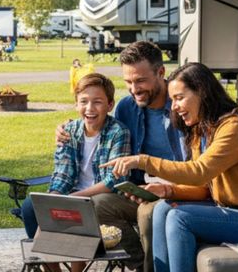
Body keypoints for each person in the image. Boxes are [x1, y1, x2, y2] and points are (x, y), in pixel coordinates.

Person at [101, 62, 238, 272]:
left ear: (202, 92)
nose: (173, 107)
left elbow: (200, 171)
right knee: (163, 208)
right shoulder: (202, 130)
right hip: (233, 212)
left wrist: (143, 160)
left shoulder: (235, 126)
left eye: (179, 98)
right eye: (172, 99)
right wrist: (167, 191)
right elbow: (204, 187)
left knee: (179, 218)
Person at [56, 41, 185, 272]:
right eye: (128, 82)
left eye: (140, 80)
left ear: (161, 72)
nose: (134, 89)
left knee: (148, 214)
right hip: (136, 191)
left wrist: (170, 187)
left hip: (176, 190)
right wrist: (68, 128)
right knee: (98, 205)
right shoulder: (127, 106)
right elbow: (100, 126)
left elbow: (196, 166)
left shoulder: (180, 108)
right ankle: (139, 264)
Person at [23, 73, 130, 272]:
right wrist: (55, 196)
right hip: (72, 192)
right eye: (84, 101)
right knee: (33, 207)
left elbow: (114, 180)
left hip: (100, 195)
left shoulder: (118, 132)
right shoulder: (70, 130)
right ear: (76, 104)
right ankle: (52, 269)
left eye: (97, 102)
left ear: (110, 105)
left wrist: (74, 199)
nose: (90, 108)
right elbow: (63, 173)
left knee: (76, 210)